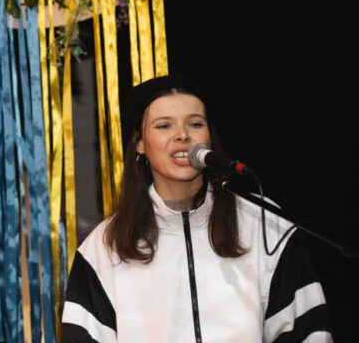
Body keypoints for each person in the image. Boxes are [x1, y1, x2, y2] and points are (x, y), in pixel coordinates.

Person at [60, 75, 332, 342]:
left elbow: (309, 332)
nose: (183, 135)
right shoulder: (103, 247)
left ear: (209, 138)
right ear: (140, 143)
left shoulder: (264, 222)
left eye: (195, 123)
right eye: (164, 125)